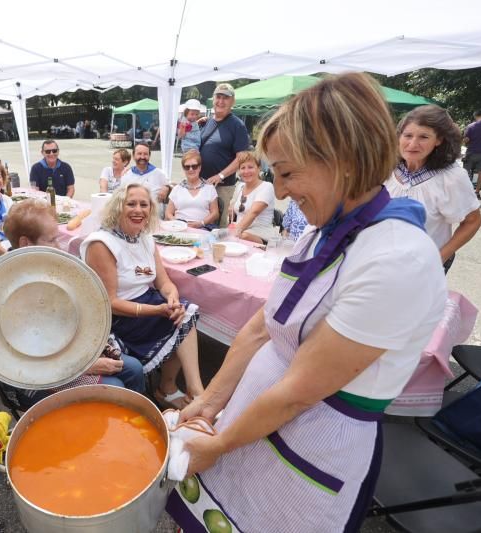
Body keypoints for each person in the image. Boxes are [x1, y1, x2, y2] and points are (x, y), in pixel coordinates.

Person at [166, 73, 447, 533]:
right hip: (252, 424)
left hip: (310, 443)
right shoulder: (323, 232)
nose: (279, 192)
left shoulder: (397, 260)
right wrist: (212, 402)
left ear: (344, 159)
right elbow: (262, 326)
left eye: (288, 173)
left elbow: (298, 391)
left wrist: (217, 446)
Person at [2, 199, 146, 407]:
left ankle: (128, 422)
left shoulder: (41, 269)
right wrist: (85, 366)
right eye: (52, 240)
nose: (60, 246)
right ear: (26, 243)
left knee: (134, 369)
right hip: (36, 375)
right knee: (115, 386)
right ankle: (104, 431)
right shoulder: (9, 288)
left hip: (65, 352)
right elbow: (28, 357)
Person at [81, 183, 204, 409]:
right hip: (118, 317)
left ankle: (177, 389)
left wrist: (172, 298)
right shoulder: (101, 243)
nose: (138, 210)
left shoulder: (145, 237)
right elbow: (110, 303)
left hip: (146, 303)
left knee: (183, 311)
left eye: (144, 205)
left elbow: (163, 281)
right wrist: (157, 310)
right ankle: (192, 393)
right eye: (131, 204)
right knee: (179, 318)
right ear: (118, 207)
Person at [386, 105, 481, 273]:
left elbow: (472, 221)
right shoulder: (385, 168)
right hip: (380, 264)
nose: (413, 144)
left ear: (438, 140)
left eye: (424, 137)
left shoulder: (451, 177)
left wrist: (440, 257)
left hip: (422, 268)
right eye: (407, 135)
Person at [199, 83, 250, 227]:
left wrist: (220, 175)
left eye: (225, 98)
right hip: (201, 185)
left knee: (217, 228)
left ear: (232, 101)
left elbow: (242, 158)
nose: (221, 101)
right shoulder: (206, 123)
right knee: (201, 224)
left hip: (222, 187)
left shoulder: (237, 126)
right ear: (213, 99)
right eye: (218, 97)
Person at [230, 151, 279, 244]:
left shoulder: (266, 186)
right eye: (242, 168)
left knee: (243, 237)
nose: (246, 171)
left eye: (250, 167)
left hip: (260, 234)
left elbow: (253, 212)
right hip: (241, 232)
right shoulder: (240, 187)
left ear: (259, 168)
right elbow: (232, 211)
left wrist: (234, 233)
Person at [165, 149, 219, 229]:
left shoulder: (209, 188)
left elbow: (215, 213)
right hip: (179, 228)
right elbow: (168, 213)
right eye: (187, 167)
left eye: (194, 166)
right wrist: (177, 223)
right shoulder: (177, 189)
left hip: (203, 228)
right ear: (183, 169)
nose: (191, 169)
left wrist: (201, 223)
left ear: (199, 167)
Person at [124, 143, 171, 211]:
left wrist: (167, 187)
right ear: (133, 156)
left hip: (154, 215)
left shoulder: (159, 173)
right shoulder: (127, 174)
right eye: (139, 154)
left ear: (149, 156)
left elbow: (172, 186)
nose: (142, 157)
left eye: (145, 154)